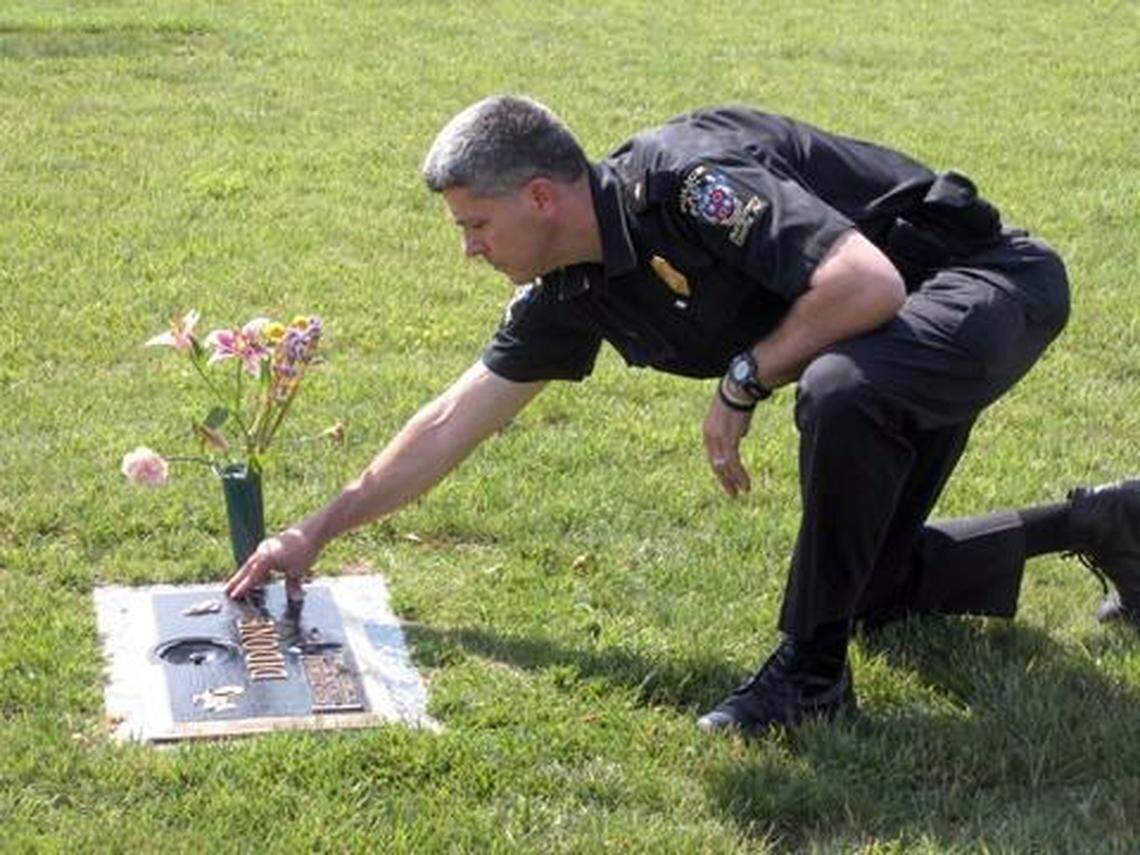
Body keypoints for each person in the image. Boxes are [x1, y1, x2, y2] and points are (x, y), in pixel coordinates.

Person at [226, 95, 1140, 737]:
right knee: (867, 583)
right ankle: (1101, 522)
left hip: (983, 288)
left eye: (475, 225)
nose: (468, 250)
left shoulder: (687, 183)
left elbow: (864, 282)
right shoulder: (572, 287)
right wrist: (319, 527)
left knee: (837, 391)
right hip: (899, 335)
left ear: (540, 196)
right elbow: (451, 419)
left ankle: (808, 678)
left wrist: (741, 380)